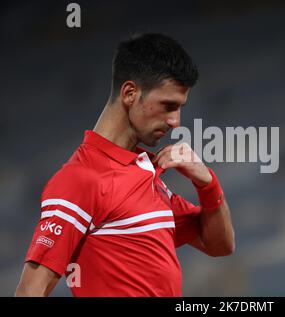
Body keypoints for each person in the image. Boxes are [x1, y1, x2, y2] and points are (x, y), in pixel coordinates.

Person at [15, 33, 235, 297]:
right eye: (168, 106)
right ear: (130, 93)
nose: (175, 121)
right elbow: (31, 290)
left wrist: (207, 183)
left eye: (180, 108)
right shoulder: (80, 179)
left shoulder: (146, 171)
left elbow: (220, 245)